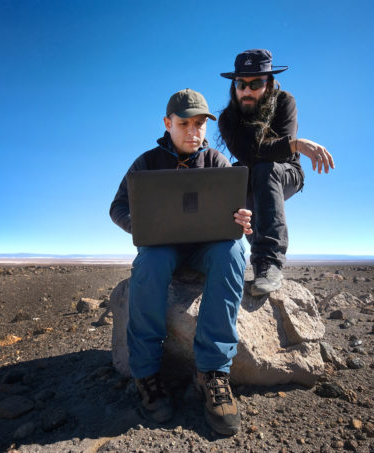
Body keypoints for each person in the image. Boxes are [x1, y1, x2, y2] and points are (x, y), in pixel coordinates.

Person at [110, 88, 252, 436]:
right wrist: (140, 226)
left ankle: (212, 373)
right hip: (163, 246)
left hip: (207, 248)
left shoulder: (218, 162)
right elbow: (118, 208)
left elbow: (238, 212)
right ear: (167, 123)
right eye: (184, 123)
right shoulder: (146, 163)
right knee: (151, 261)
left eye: (200, 123)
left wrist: (244, 219)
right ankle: (146, 373)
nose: (193, 131)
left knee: (235, 250)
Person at [218, 49, 335, 296]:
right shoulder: (228, 119)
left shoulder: (284, 102)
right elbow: (248, 153)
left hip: (287, 171)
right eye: (240, 84)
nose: (246, 91)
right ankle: (216, 258)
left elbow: (277, 155)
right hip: (251, 172)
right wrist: (296, 144)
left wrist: (290, 147)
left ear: (269, 84)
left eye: (255, 83)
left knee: (265, 169)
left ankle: (269, 264)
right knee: (233, 177)